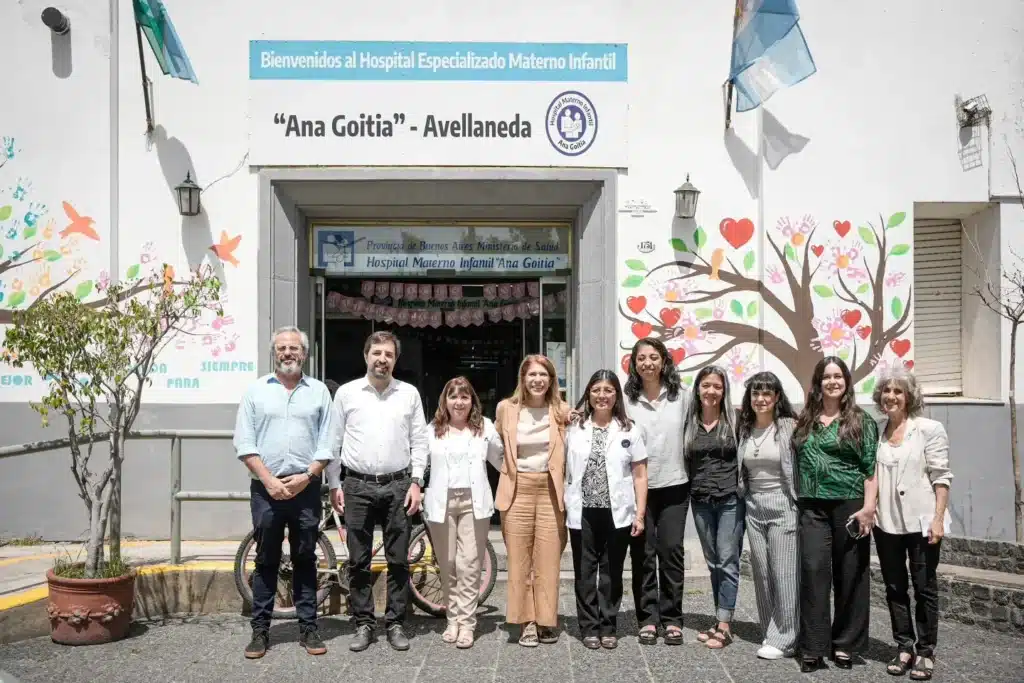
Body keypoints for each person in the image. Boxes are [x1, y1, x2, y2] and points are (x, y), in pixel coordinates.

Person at [233, 326, 337, 659]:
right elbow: (244, 443)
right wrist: (269, 481)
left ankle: (309, 627)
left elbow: (328, 441)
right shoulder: (256, 391)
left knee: (305, 557)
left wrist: (308, 476)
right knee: (266, 559)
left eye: (294, 348)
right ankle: (260, 631)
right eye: (282, 348)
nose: (288, 353)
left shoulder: (319, 392)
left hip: (306, 487)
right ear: (274, 353)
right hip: (266, 489)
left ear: (304, 354)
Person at [326, 331, 429, 653]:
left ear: (395, 360)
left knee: (398, 560)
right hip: (356, 486)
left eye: (388, 354)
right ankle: (364, 623)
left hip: (399, 485)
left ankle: (395, 622)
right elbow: (333, 442)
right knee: (358, 560)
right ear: (366, 356)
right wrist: (334, 484)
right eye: (377, 353)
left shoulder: (409, 394)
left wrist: (416, 482)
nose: (382, 359)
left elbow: (420, 441)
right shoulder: (347, 393)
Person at [793, 356, 878, 673]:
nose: (832, 381)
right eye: (826, 377)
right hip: (811, 505)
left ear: (846, 381)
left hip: (850, 504)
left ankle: (844, 644)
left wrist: (868, 508)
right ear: (818, 383)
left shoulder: (861, 420)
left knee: (850, 572)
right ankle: (813, 647)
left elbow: (871, 467)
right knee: (813, 570)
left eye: (838, 376)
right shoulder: (806, 419)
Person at [872, 368, 952, 681]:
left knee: (924, 587)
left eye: (898, 391)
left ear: (909, 397)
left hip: (922, 523)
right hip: (886, 523)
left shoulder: (929, 429)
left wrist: (938, 519)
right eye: (886, 390)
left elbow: (941, 476)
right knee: (894, 588)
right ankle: (904, 646)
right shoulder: (877, 431)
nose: (891, 396)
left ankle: (926, 651)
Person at [413, 376, 504, 649]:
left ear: (472, 401)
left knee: (469, 564)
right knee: (448, 562)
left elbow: (502, 460)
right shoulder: (433, 429)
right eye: (453, 396)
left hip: (474, 503)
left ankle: (467, 622)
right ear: (445, 401)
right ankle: (452, 619)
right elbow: (419, 460)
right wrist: (415, 484)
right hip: (442, 502)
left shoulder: (484, 427)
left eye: (464, 397)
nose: (459, 402)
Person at [565, 370, 648, 649]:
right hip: (583, 510)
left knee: (612, 571)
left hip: (617, 511)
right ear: (588, 394)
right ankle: (589, 626)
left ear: (617, 395)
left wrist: (639, 514)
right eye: (596, 390)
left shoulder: (629, 430)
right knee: (585, 571)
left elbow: (640, 475)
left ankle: (608, 625)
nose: (602, 395)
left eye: (608, 390)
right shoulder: (573, 428)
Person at [494, 354, 570, 647]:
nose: (538, 380)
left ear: (551, 380)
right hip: (518, 489)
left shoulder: (562, 411)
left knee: (549, 559)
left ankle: (546, 620)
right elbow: (495, 445)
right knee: (519, 559)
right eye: (532, 374)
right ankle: (526, 622)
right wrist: (506, 471)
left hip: (550, 488)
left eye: (544, 375)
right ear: (523, 378)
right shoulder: (506, 409)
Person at [621, 338, 689, 646]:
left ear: (664, 361)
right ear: (634, 364)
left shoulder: (682, 396)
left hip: (675, 483)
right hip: (638, 489)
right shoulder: (626, 399)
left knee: (671, 551)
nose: (647, 363)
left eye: (653, 357)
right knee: (643, 554)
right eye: (641, 358)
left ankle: (672, 618)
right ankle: (647, 618)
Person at [735, 371, 800, 660]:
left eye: (766, 393)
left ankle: (786, 638)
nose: (760, 399)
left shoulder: (788, 426)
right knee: (761, 572)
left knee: (783, 572)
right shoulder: (745, 427)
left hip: (783, 504)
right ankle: (771, 630)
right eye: (755, 393)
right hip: (753, 505)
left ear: (776, 397)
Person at [683, 365, 744, 650]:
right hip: (701, 500)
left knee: (728, 560)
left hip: (730, 499)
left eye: (717, 386)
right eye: (706, 385)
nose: (711, 391)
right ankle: (720, 617)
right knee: (713, 562)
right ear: (698, 389)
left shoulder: (736, 420)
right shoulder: (690, 423)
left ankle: (724, 624)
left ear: (724, 390)